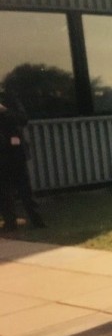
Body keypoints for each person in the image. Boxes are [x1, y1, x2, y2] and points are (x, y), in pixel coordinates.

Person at [0, 88, 45, 230]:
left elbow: (23, 119)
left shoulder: (9, 96)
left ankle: (37, 220)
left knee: (24, 187)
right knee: (3, 190)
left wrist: (4, 110)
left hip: (15, 150)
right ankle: (10, 222)